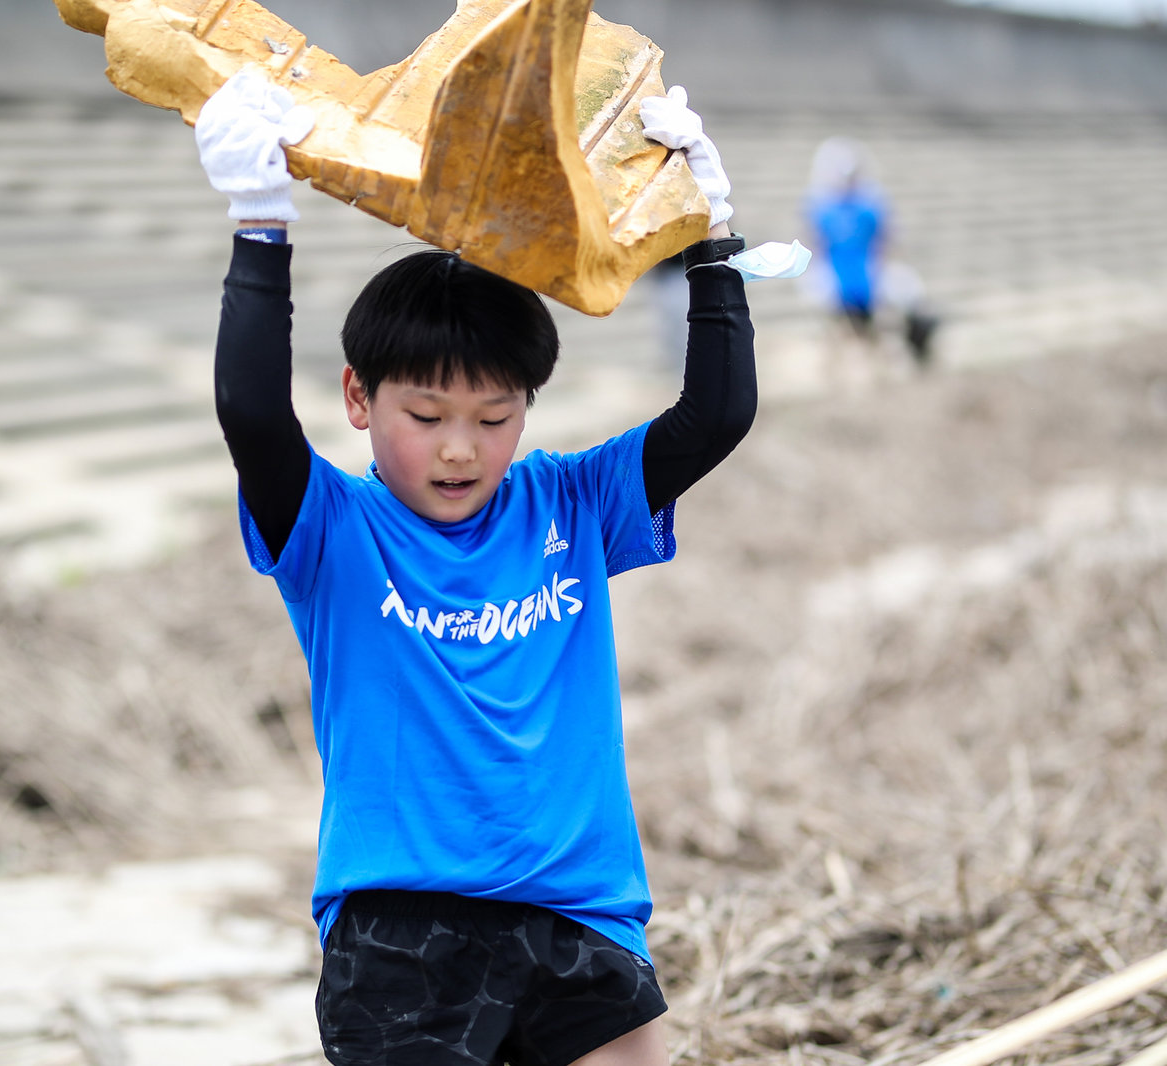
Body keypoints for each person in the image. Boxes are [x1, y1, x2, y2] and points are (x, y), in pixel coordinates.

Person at [199, 70, 756, 1066]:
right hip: (399, 932)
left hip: (581, 918)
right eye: (426, 418)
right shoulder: (330, 527)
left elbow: (714, 416)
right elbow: (251, 413)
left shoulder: (571, 504)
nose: (460, 449)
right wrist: (259, 223)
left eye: (493, 419)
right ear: (359, 400)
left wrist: (711, 239)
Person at [804, 135, 938, 368]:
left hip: (866, 278)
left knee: (877, 332)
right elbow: (818, 246)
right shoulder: (825, 208)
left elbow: (885, 243)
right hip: (843, 281)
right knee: (847, 336)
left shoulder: (867, 206)